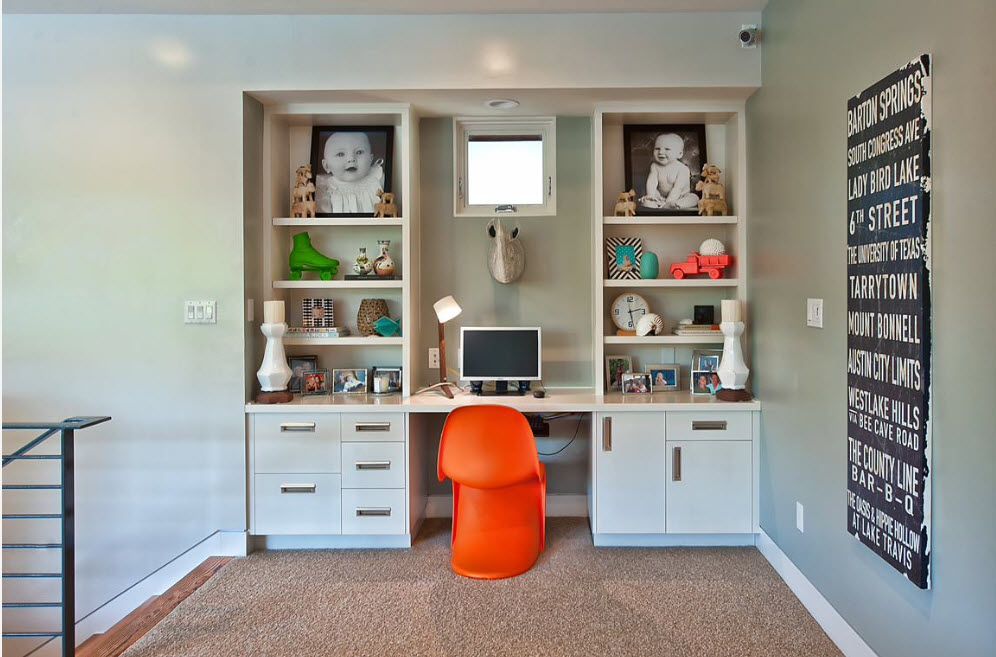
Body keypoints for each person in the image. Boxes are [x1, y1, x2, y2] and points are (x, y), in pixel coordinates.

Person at [315, 132, 384, 214]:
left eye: (359, 152)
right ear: (326, 166)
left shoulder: (377, 178)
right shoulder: (324, 188)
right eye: (340, 154)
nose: (351, 159)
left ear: (370, 159)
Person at [640, 133, 700, 210]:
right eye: (657, 148)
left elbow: (678, 188)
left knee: (694, 198)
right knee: (647, 200)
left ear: (680, 154)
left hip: (680, 196)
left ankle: (676, 204)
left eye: (667, 149)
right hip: (661, 197)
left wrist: (668, 202)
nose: (661, 152)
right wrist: (651, 195)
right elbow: (652, 182)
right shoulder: (654, 166)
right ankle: (656, 203)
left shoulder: (683, 169)